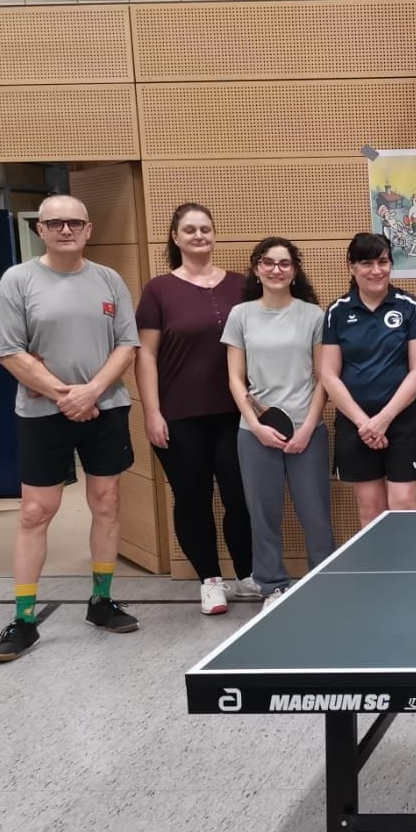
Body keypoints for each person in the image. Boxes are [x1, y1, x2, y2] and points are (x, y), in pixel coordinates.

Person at [0, 194, 140, 661]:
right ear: (41, 230)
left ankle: (101, 600)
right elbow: (10, 351)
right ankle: (24, 619)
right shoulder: (18, 280)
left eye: (75, 222)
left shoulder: (109, 280)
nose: (65, 230)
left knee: (106, 501)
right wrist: (65, 395)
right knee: (36, 511)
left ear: (88, 229)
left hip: (106, 408)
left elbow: (127, 345)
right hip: (42, 414)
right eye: (55, 223)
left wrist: (92, 391)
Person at [136, 202, 257, 616]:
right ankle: (209, 580)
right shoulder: (158, 290)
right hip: (180, 415)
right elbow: (146, 356)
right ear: (175, 237)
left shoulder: (241, 285)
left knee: (241, 497)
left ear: (214, 234)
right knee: (193, 499)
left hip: (235, 413)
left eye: (205, 228)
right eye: (190, 230)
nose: (199, 236)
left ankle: (247, 575)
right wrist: (152, 412)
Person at [222, 237, 333, 605]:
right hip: (254, 434)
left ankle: (322, 579)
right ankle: (271, 584)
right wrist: (255, 425)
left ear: (294, 270)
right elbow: (236, 378)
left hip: (308, 432)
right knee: (263, 514)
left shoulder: (314, 316)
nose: (276, 269)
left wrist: (306, 428)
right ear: (256, 269)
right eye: (268, 263)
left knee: (316, 515)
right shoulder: (241, 315)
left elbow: (323, 378)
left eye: (284, 263)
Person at [318, 232, 416, 526]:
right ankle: (381, 572)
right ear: (351, 267)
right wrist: (364, 423)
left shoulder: (410, 306)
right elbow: (328, 374)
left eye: (383, 262)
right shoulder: (336, 312)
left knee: (403, 504)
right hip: (356, 424)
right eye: (366, 263)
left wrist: (384, 419)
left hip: (403, 422)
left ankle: (408, 573)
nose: (376, 270)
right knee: (371, 510)